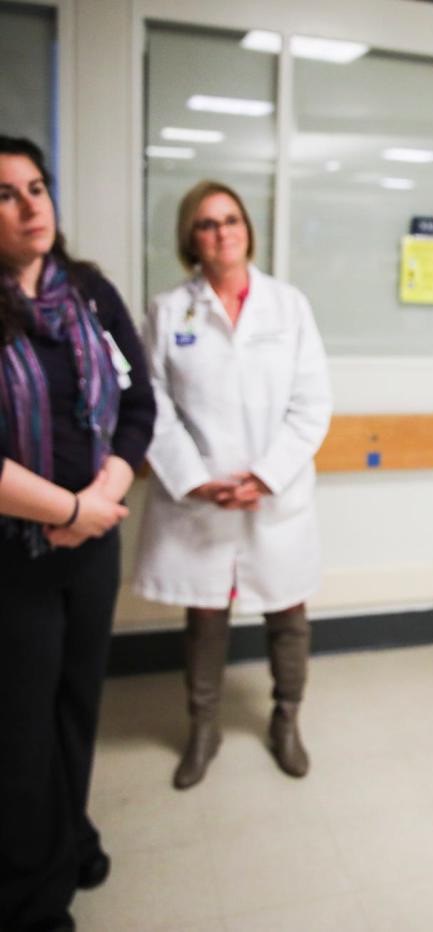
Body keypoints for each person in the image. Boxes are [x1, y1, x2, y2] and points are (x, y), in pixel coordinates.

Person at [0, 136, 155, 932]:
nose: (31, 206)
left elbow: (138, 406)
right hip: (15, 553)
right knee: (19, 727)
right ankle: (32, 897)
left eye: (37, 187)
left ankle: (70, 833)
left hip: (93, 538)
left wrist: (102, 494)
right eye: (6, 195)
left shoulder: (87, 292)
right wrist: (64, 512)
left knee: (75, 706)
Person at [132, 180, 331, 789]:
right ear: (191, 237)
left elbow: (312, 402)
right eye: (207, 223)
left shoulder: (288, 306)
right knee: (206, 617)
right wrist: (195, 481)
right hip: (203, 496)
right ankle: (203, 728)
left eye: (232, 220)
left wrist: (266, 476)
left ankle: (286, 720)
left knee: (287, 612)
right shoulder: (170, 311)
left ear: (248, 229)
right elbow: (151, 404)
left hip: (274, 492)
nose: (223, 232)